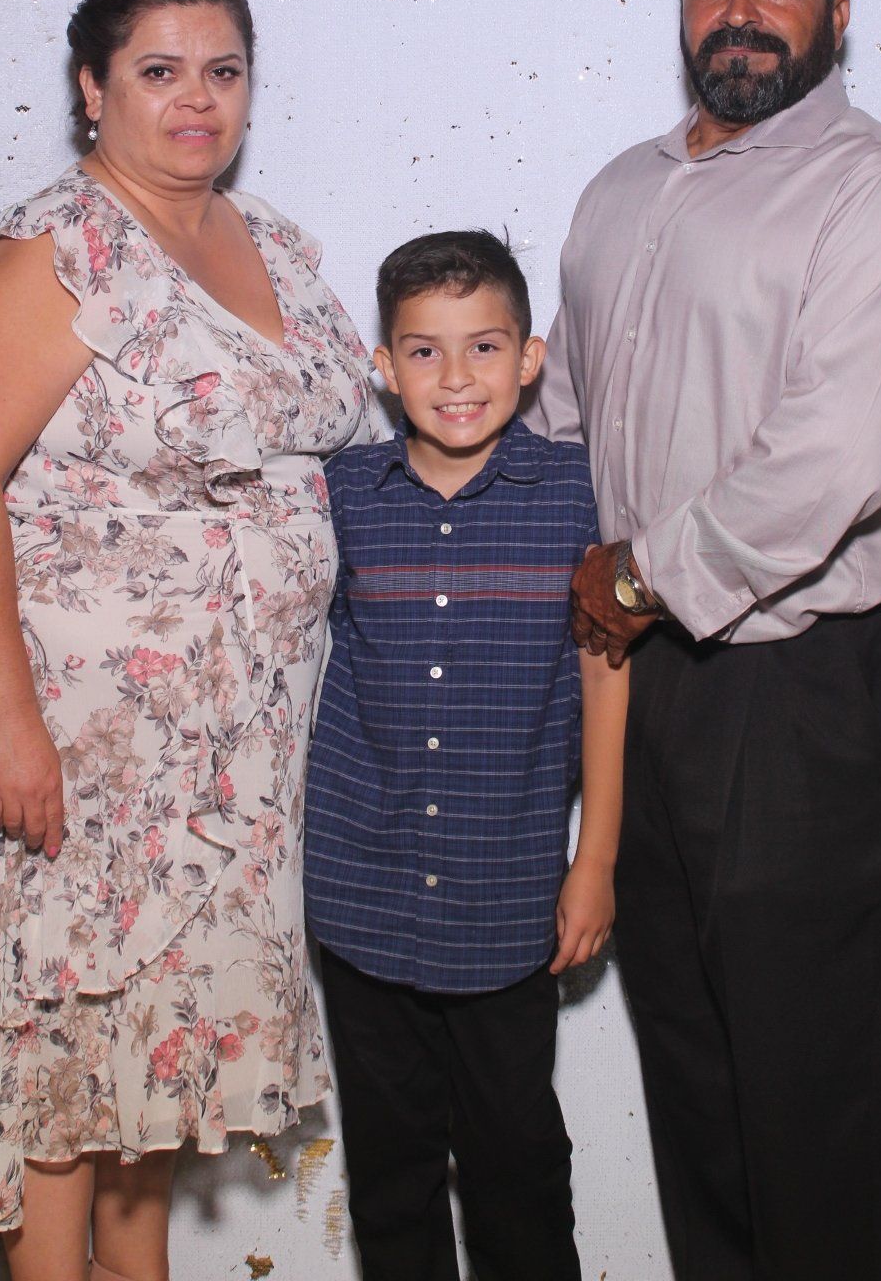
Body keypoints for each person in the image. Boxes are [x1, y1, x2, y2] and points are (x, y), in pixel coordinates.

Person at [0, 0, 375, 1280]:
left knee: (147, 1081)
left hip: (230, 763)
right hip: (81, 750)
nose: (196, 99)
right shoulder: (60, 251)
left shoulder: (268, 246)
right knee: (58, 1084)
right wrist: (11, 727)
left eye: (222, 71)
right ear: (93, 90)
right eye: (159, 71)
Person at [531, 0, 881, 1281]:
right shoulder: (620, 193)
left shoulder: (877, 188)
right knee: (698, 1083)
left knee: (818, 1098)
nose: (737, 11)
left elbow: (841, 454)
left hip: (810, 696)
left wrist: (639, 580)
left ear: (836, 11)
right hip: (645, 681)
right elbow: (566, 431)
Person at [304, 232, 630, 1281]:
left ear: (529, 359)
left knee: (515, 1163)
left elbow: (605, 676)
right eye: (425, 352)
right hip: (363, 893)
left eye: (483, 347)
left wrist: (595, 860)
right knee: (390, 1174)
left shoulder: (579, 493)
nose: (456, 378)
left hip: (508, 900)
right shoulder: (341, 495)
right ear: (383, 366)